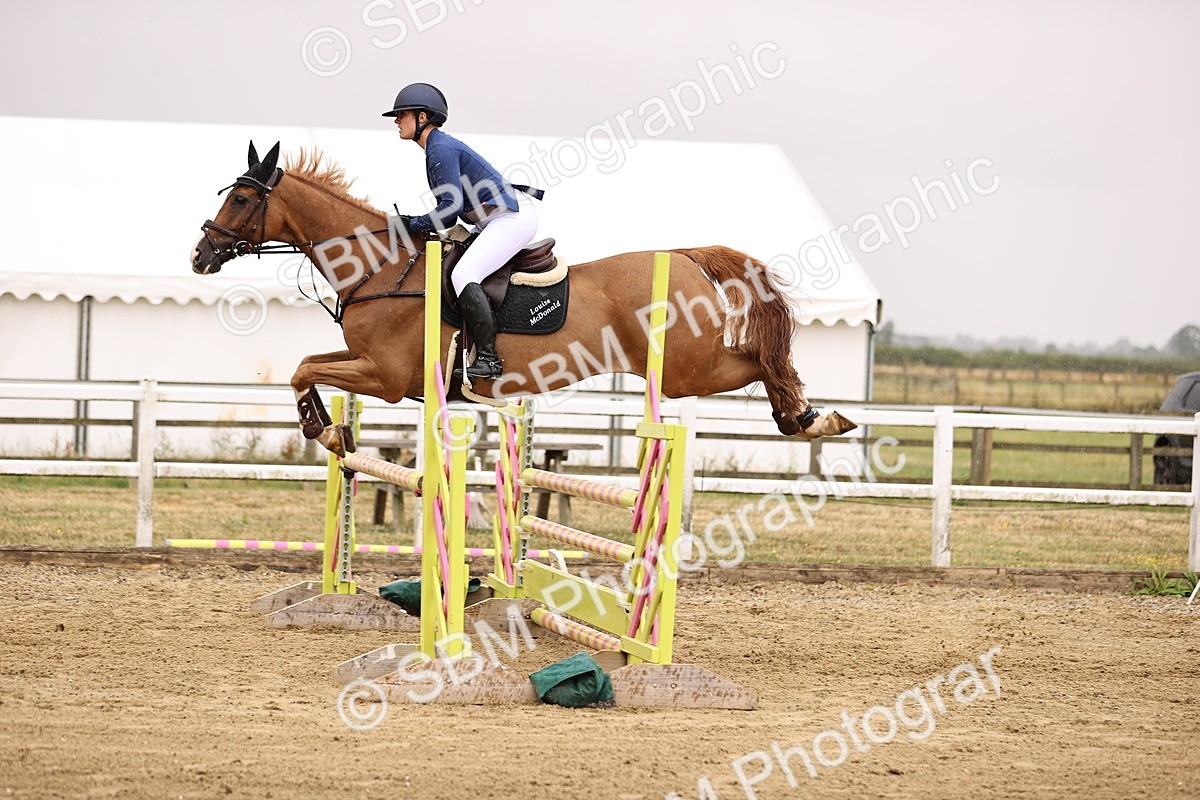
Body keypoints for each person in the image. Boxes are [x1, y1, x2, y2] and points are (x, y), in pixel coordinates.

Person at [383, 82, 539, 380]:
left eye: (402, 114)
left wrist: (413, 223)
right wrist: (415, 222)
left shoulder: (439, 148)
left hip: (511, 218)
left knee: (463, 274)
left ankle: (491, 359)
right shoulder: (437, 147)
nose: (396, 120)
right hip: (495, 219)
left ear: (422, 118)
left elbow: (450, 208)